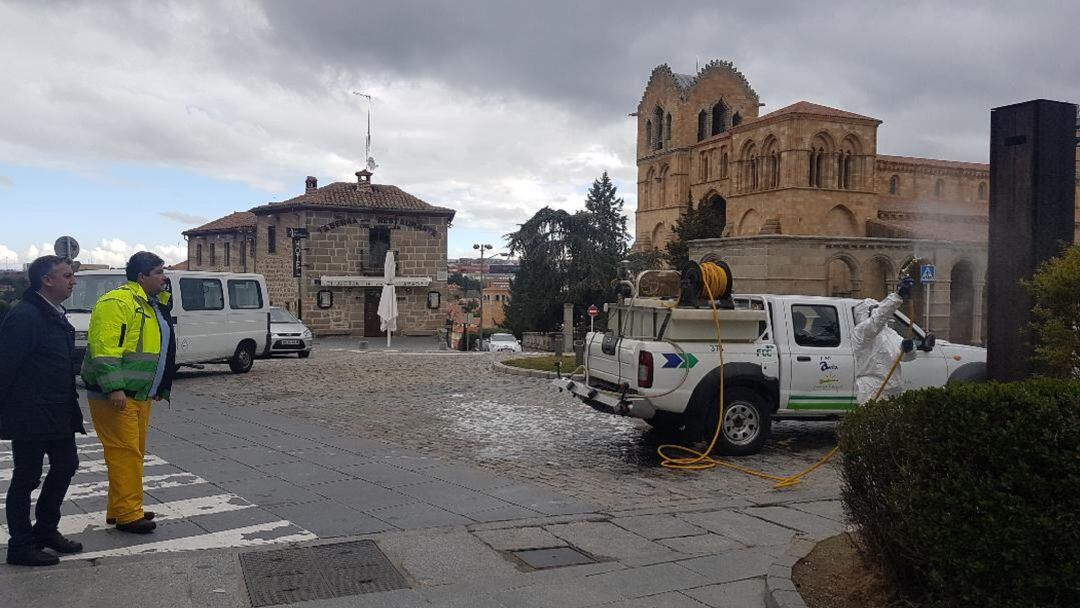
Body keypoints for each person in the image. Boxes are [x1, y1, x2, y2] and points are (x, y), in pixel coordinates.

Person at [80, 252, 175, 534]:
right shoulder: (118, 303)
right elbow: (105, 348)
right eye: (158, 272)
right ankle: (128, 514)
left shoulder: (149, 304)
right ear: (141, 276)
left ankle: (122, 507)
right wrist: (114, 388)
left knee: (132, 453)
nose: (164, 277)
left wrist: (157, 387)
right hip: (118, 395)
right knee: (125, 453)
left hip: (139, 394)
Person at [0, 256, 86, 566]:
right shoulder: (25, 316)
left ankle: (46, 530)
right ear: (46, 281)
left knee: (66, 465)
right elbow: (6, 365)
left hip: (58, 410)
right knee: (26, 478)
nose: (72, 280)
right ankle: (20, 546)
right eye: (67, 276)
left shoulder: (54, 313)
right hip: (30, 413)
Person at [852, 275, 918, 404]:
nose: (876, 312)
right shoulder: (861, 332)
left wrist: (909, 349)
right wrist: (897, 296)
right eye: (873, 310)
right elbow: (878, 319)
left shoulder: (890, 334)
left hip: (893, 391)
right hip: (872, 392)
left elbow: (905, 357)